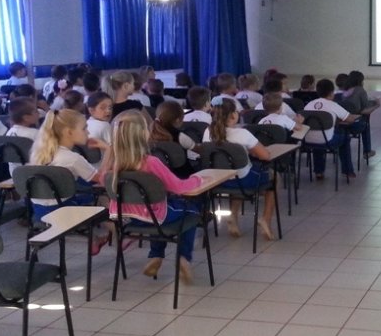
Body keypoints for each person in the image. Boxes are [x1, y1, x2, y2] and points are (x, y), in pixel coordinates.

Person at [107, 111, 203, 283]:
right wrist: (197, 179)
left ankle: (156, 256)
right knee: (192, 211)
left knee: (155, 212)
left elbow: (102, 180)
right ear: (145, 133)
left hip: (125, 218)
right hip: (154, 215)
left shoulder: (112, 163)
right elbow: (178, 187)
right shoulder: (150, 162)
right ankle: (184, 257)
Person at [28, 109, 112, 253]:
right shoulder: (72, 158)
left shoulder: (38, 153)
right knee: (105, 200)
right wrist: (108, 150)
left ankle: (95, 239)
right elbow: (102, 179)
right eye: (84, 128)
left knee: (87, 190)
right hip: (63, 212)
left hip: (38, 211)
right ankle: (117, 242)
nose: (88, 133)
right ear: (69, 132)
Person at [204, 101, 277, 241]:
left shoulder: (208, 132)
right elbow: (265, 156)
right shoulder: (242, 133)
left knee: (235, 173)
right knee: (274, 177)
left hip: (217, 181)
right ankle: (265, 219)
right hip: (241, 181)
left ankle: (233, 215)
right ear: (233, 115)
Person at [303, 78, 357, 179]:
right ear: (332, 93)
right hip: (327, 141)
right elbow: (350, 119)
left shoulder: (309, 105)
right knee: (345, 137)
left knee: (317, 137)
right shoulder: (333, 105)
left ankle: (319, 172)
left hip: (307, 141)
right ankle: (347, 171)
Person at [339, 70, 378, 159]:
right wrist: (376, 104)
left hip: (342, 123)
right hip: (355, 124)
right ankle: (367, 151)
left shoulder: (344, 91)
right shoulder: (360, 90)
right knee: (366, 123)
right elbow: (364, 108)